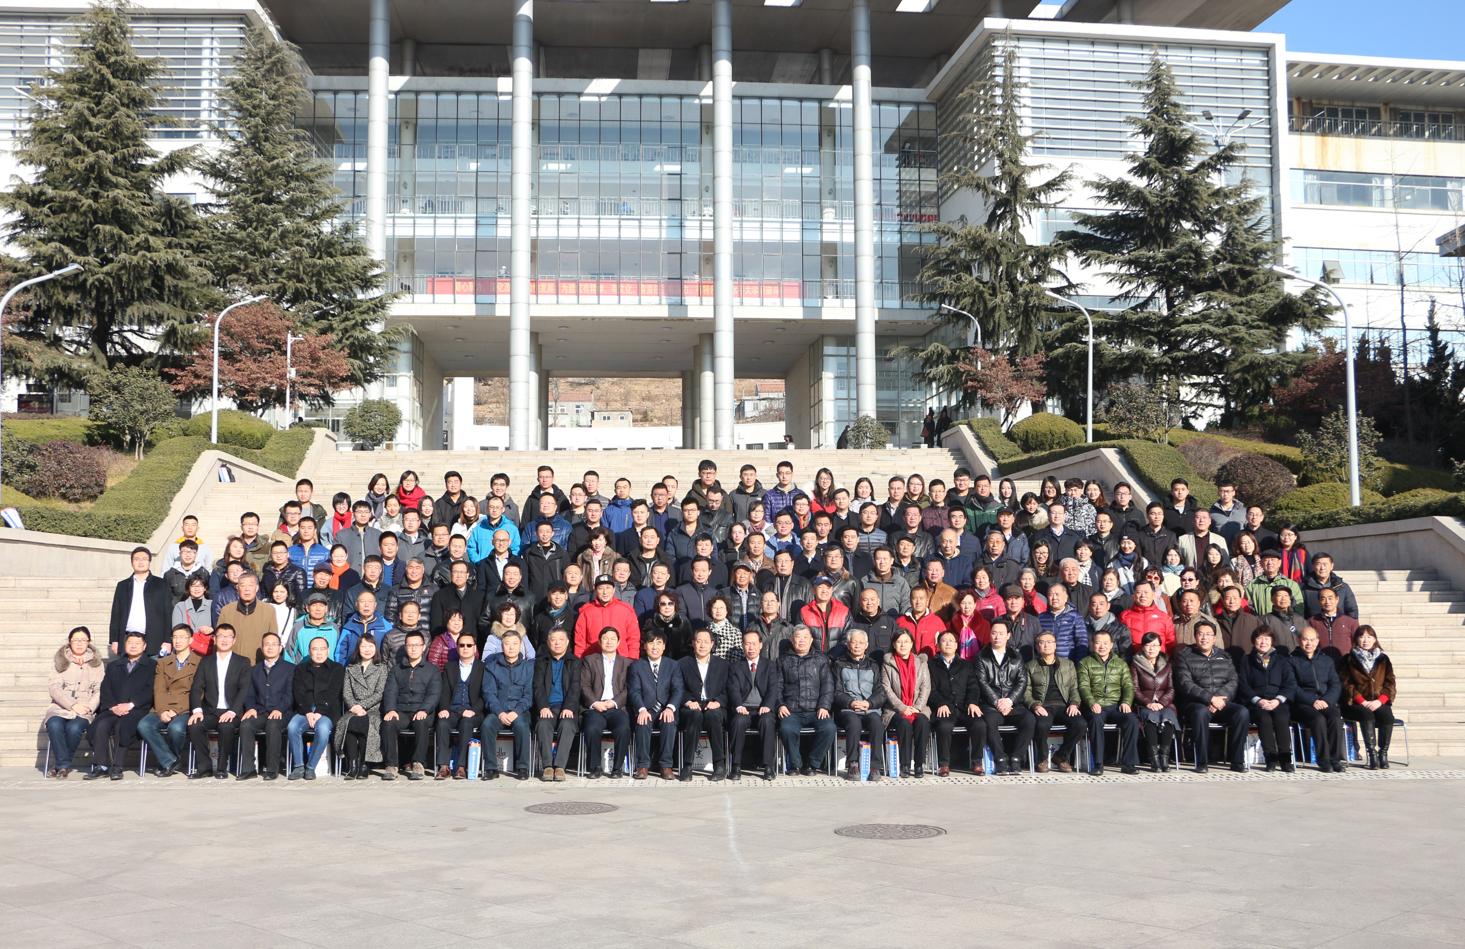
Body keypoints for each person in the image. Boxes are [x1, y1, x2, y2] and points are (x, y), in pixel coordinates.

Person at [1174, 620, 1249, 773]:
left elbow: (1233, 681)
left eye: (1208, 634)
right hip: (1196, 703)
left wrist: (1219, 700)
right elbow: (1185, 684)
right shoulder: (1184, 656)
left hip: (1221, 702)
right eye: (1201, 634)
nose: (1204, 638)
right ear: (1195, 636)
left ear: (1214, 638)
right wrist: (1210, 699)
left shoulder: (1224, 656)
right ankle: (1202, 762)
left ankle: (1237, 761)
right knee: (1200, 713)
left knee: (1242, 712)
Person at [85, 631, 155, 780]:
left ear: (144, 646)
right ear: (125, 645)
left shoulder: (152, 666)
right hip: (114, 708)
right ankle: (101, 766)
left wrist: (131, 705)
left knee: (122, 726)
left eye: (137, 643)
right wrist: (113, 707)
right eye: (130, 643)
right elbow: (106, 688)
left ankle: (117, 766)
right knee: (101, 725)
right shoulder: (114, 666)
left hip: (137, 709)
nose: (133, 646)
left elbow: (150, 690)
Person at [184, 623, 251, 779]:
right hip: (211, 711)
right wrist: (197, 710)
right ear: (214, 639)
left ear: (234, 640)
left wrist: (232, 711)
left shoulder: (243, 662)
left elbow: (244, 689)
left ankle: (221, 768)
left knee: (226, 727)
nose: (224, 640)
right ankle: (204, 767)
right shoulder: (206, 662)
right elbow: (196, 688)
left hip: (232, 712)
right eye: (221, 636)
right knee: (194, 725)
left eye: (228, 637)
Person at [136, 625, 198, 778]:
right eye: (175, 637)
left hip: (186, 709)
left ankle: (168, 762)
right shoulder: (163, 662)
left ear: (190, 640)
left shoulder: (199, 662)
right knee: (144, 725)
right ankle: (170, 761)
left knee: (176, 729)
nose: (178, 641)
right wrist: (163, 710)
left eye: (182, 637)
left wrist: (176, 711)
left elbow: (197, 692)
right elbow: (159, 689)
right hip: (163, 706)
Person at [975, 618, 1035, 775]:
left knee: (1029, 720)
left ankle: (1016, 758)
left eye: (1001, 633)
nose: (997, 637)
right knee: (988, 722)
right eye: (994, 633)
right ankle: (1000, 759)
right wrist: (997, 702)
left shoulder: (1016, 656)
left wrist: (1009, 700)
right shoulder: (982, 657)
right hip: (991, 705)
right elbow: (982, 682)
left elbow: (1022, 680)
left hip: (1013, 704)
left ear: (1008, 635)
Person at [43, 626, 105, 779]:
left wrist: (89, 707)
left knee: (74, 728)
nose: (79, 643)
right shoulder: (61, 660)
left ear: (89, 642)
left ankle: (60, 766)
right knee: (54, 725)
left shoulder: (96, 663)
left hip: (85, 707)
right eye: (75, 640)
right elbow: (54, 687)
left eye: (83, 640)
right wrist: (72, 705)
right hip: (61, 706)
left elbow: (100, 689)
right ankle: (63, 765)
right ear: (69, 642)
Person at [381, 630, 442, 781]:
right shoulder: (397, 670)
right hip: (401, 711)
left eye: (417, 645)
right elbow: (390, 691)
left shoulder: (432, 670)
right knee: (388, 722)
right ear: (405, 647)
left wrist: (424, 709)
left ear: (423, 647)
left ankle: (418, 763)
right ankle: (391, 765)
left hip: (422, 711)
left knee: (421, 722)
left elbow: (434, 694)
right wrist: (390, 709)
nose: (413, 648)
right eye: (410, 645)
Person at [1077, 629, 1139, 775]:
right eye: (1098, 643)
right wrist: (1092, 702)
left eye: (1105, 643)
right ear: (1092, 644)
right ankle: (1098, 763)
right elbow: (1083, 686)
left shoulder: (1121, 664)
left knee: (1131, 720)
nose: (1102, 646)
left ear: (1111, 645)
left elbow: (1128, 686)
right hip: (1095, 706)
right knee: (1095, 720)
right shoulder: (1084, 663)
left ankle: (1129, 763)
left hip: (1115, 706)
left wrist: (1126, 702)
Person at [775, 625, 835, 775]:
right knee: (786, 729)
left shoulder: (821, 660)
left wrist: (824, 706)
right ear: (792, 640)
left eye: (805, 637)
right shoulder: (783, 660)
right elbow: (776, 686)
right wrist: (780, 705)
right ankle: (796, 764)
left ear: (811, 640)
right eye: (798, 637)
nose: (801, 640)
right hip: (792, 710)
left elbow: (828, 685)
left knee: (829, 728)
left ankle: (812, 764)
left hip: (816, 711)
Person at [1025, 630, 1086, 774]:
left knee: (1080, 724)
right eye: (1042, 642)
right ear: (1037, 646)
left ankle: (1061, 757)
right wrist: (1035, 705)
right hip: (1043, 706)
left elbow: (1074, 688)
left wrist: (1074, 703)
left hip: (1064, 705)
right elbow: (1026, 690)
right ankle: (1042, 759)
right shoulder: (1030, 666)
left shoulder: (1068, 664)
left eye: (1049, 642)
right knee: (1042, 725)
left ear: (1055, 645)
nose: (1046, 645)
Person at [237, 632, 295, 780]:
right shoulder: (254, 670)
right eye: (267, 644)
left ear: (280, 648)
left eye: (274, 644)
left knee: (273, 725)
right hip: (260, 711)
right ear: (262, 648)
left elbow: (290, 694)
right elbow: (249, 693)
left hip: (282, 712)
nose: (270, 647)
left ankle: (272, 769)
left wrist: (280, 708)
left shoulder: (290, 669)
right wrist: (250, 708)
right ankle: (248, 769)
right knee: (246, 724)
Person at [627, 630, 684, 781]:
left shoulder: (673, 665)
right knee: (642, 722)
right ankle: (643, 766)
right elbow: (634, 691)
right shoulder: (636, 666)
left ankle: (666, 766)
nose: (655, 647)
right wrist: (641, 709)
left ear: (664, 646)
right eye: (651, 643)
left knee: (669, 722)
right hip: (646, 708)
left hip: (666, 708)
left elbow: (678, 689)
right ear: (645, 646)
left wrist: (670, 707)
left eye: (659, 643)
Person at [1239, 627, 1297, 772]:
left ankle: (1285, 759)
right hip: (1257, 703)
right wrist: (1258, 700)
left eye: (1267, 638)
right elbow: (1243, 684)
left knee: (1281, 718)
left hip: (1278, 701)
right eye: (1259, 638)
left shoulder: (1282, 660)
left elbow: (1290, 684)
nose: (1263, 642)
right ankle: (1270, 759)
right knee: (1264, 720)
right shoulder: (1246, 660)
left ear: (1272, 641)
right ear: (1254, 641)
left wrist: (1278, 700)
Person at [832, 628, 887, 781]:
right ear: (848, 644)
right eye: (854, 642)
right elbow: (836, 691)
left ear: (866, 645)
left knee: (877, 724)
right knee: (854, 723)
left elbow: (881, 692)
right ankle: (853, 764)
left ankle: (875, 767)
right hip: (848, 709)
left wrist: (869, 703)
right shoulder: (839, 664)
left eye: (861, 643)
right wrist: (850, 702)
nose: (857, 645)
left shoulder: (873, 665)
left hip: (869, 709)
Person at [677, 628, 730, 781]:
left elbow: (729, 689)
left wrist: (718, 701)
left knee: (713, 716)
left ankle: (719, 765)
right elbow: (677, 688)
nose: (702, 645)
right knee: (695, 716)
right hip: (691, 705)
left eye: (706, 642)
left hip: (714, 705)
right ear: (693, 643)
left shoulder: (723, 665)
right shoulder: (682, 664)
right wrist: (688, 701)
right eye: (699, 641)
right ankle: (687, 765)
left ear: (712, 644)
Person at [1290, 626, 1346, 773]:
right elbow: (1292, 687)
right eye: (1305, 640)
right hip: (1303, 704)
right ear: (1299, 640)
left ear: (1317, 641)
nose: (1309, 643)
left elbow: (1335, 684)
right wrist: (1312, 701)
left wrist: (1326, 700)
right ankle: (1324, 760)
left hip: (1325, 701)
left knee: (1335, 718)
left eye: (1312, 640)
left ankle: (1335, 759)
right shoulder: (1292, 660)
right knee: (1318, 719)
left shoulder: (1326, 660)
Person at [287, 636, 344, 780]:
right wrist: (307, 712)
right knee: (293, 727)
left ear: (328, 650)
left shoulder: (337, 669)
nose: (319, 652)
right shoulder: (300, 669)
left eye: (322, 649)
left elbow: (333, 693)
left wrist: (319, 712)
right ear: (309, 651)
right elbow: (298, 693)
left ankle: (311, 767)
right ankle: (298, 766)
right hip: (304, 710)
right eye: (315, 649)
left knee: (323, 729)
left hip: (327, 712)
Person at [332, 632, 387, 780]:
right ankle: (352, 765)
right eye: (363, 646)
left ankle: (363, 765)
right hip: (353, 709)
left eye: (370, 646)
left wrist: (362, 706)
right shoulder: (351, 668)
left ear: (375, 648)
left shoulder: (381, 668)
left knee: (364, 723)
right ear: (358, 648)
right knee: (348, 723)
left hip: (373, 710)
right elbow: (346, 692)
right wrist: (354, 707)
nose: (367, 649)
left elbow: (379, 693)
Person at [1341, 625, 1397, 770]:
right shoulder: (1348, 659)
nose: (1365, 640)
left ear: (1374, 639)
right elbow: (1347, 684)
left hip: (1378, 701)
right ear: (1356, 639)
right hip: (1356, 703)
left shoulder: (1383, 659)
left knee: (1387, 716)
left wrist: (1380, 701)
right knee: (1366, 714)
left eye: (1369, 637)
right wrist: (1362, 701)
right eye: (1362, 637)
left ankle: (1383, 754)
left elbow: (1390, 683)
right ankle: (1372, 754)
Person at [482, 629, 535, 780]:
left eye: (515, 643)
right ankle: (491, 768)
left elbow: (528, 695)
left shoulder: (528, 667)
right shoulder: (491, 666)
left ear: (520, 645)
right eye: (507, 644)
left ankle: (523, 767)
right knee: (487, 725)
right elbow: (489, 693)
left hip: (519, 711)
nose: (511, 647)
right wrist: (500, 712)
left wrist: (516, 711)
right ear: (502, 646)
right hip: (499, 711)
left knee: (522, 726)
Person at [727, 628, 780, 781]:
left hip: (763, 708)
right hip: (744, 708)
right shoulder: (736, 666)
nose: (751, 647)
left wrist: (767, 705)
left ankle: (768, 766)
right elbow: (733, 688)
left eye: (754, 644)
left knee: (767, 721)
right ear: (742, 646)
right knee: (738, 721)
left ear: (760, 645)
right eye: (747, 644)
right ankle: (736, 765)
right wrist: (738, 705)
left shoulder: (770, 665)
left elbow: (773, 688)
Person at [580, 626, 632, 778]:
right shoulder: (589, 660)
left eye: (613, 639)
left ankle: (617, 768)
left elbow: (629, 688)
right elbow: (584, 685)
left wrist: (615, 702)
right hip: (596, 707)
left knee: (623, 728)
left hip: (617, 707)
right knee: (592, 728)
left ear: (619, 642)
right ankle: (595, 767)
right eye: (605, 639)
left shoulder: (627, 663)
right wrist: (595, 703)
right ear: (599, 641)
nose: (609, 642)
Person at [532, 628, 582, 782]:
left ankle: (560, 767)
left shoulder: (575, 662)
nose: (557, 643)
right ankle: (547, 766)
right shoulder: (541, 662)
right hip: (548, 707)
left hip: (566, 707)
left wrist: (569, 707)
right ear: (548, 643)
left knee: (567, 725)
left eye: (561, 639)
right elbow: (538, 686)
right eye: (553, 640)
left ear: (567, 642)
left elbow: (575, 687)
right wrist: (543, 706)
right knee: (543, 725)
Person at [882, 628, 931, 779]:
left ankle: (919, 764)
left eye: (906, 642)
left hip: (918, 708)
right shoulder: (888, 663)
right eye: (899, 642)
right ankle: (904, 764)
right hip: (894, 710)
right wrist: (902, 708)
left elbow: (926, 687)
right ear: (893, 644)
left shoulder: (921, 662)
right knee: (904, 724)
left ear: (911, 644)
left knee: (923, 722)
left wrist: (917, 708)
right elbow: (886, 688)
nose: (903, 645)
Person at [435, 632, 485, 780]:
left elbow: (485, 694)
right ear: (457, 648)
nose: (465, 648)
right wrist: (444, 708)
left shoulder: (482, 667)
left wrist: (473, 710)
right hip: (452, 710)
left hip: (473, 712)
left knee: (466, 723)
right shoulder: (449, 667)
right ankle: (443, 766)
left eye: (469, 645)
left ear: (475, 648)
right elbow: (444, 692)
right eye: (462, 645)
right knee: (442, 723)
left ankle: (461, 767)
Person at [1130, 632, 1179, 773]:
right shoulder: (1135, 664)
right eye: (1148, 645)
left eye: (1155, 645)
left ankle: (1164, 758)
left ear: (1160, 647)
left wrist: (1162, 703)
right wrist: (1148, 703)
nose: (1151, 648)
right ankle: (1154, 760)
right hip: (1144, 703)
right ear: (1142, 647)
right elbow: (1135, 689)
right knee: (1150, 719)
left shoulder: (1167, 664)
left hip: (1165, 703)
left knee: (1168, 718)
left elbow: (1171, 688)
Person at [109, 547, 172, 657]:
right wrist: (114, 640)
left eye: (144, 559)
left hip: (154, 640)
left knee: (152, 667)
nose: (140, 562)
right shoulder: (122, 585)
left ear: (149, 561)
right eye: (137, 559)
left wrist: (167, 640)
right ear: (132, 562)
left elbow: (167, 613)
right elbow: (116, 613)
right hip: (127, 639)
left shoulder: (161, 584)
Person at [573, 574, 641, 658]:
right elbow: (580, 641)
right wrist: (579, 661)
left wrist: (632, 660)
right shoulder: (586, 611)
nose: (605, 592)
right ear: (595, 590)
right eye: (601, 588)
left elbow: (633, 639)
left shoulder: (626, 610)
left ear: (614, 590)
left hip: (621, 660)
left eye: (608, 588)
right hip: (593, 660)